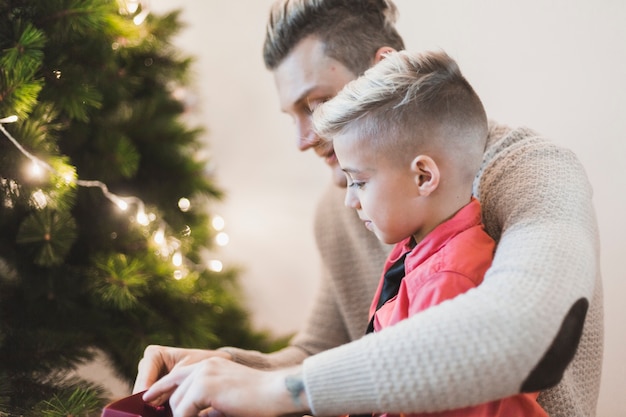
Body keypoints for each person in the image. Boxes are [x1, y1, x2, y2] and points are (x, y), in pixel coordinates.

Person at [133, 1, 603, 416]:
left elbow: (523, 332)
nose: (304, 139)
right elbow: (323, 351)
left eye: (316, 103)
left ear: (384, 68)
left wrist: (280, 389)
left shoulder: (534, 170)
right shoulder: (339, 208)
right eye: (293, 116)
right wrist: (224, 371)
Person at [313, 48, 548, 417]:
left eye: (358, 182)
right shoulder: (415, 248)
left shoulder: (450, 282)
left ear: (423, 177)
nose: (350, 202)